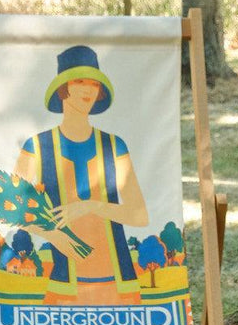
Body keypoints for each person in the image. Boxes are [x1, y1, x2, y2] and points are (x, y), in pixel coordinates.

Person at [14, 45, 148, 305]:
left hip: (120, 282)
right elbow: (12, 207)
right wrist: (53, 235)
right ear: (63, 88)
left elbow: (139, 215)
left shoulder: (114, 145)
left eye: (94, 84)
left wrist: (90, 206)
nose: (88, 89)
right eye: (79, 81)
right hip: (63, 283)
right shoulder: (37, 146)